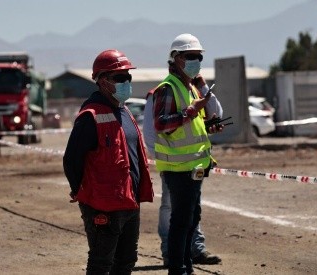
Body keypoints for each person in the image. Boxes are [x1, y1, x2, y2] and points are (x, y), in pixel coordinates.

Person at [63, 49, 154, 275]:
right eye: (119, 78)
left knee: (126, 262)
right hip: (102, 205)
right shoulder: (91, 115)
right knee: (101, 264)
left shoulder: (124, 112)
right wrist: (81, 193)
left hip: (130, 202)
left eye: (128, 77)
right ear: (102, 81)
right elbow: (72, 159)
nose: (126, 82)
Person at [150, 33, 225, 275]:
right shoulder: (168, 88)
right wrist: (192, 111)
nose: (196, 61)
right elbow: (161, 124)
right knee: (181, 222)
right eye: (190, 56)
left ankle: (186, 266)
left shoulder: (189, 87)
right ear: (175, 59)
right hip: (178, 169)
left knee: (191, 219)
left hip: (194, 167)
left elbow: (191, 126)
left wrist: (208, 125)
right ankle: (178, 269)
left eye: (199, 57)